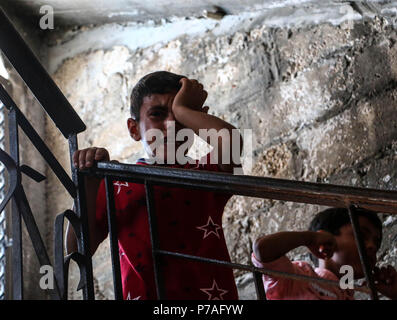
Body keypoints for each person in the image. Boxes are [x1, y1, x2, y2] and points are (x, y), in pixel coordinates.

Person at [66, 71, 243, 300]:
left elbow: (232, 142)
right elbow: (77, 249)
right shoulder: (116, 182)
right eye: (158, 114)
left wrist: (185, 110)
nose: (171, 124)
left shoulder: (205, 174)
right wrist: (89, 183)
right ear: (133, 129)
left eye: (180, 117)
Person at [252, 207, 397, 300]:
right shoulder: (299, 278)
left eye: (376, 244)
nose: (372, 246)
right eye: (361, 235)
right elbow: (262, 249)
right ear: (325, 242)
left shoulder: (350, 296)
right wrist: (309, 238)